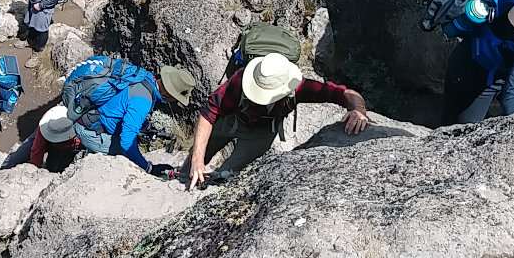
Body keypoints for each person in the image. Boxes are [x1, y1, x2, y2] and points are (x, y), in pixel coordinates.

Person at [186, 53, 369, 189]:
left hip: (260, 134)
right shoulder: (240, 79)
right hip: (231, 120)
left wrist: (358, 111)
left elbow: (345, 94)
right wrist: (197, 160)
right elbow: (209, 112)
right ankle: (187, 176)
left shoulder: (298, 88)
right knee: (190, 167)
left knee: (225, 177)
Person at [68, 59, 196, 176]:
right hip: (91, 130)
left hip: (89, 117)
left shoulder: (144, 77)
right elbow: (127, 142)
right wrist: (149, 169)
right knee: (124, 158)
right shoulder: (143, 101)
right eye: (175, 98)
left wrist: (145, 125)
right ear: (168, 94)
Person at [0, 105, 81, 173]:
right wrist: (35, 171)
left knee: (57, 166)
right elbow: (37, 151)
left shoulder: (77, 132)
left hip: (67, 147)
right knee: (17, 157)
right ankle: (1, 171)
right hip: (47, 136)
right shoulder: (46, 127)